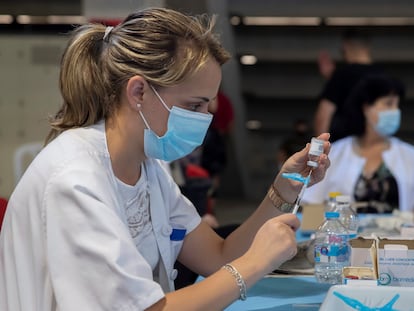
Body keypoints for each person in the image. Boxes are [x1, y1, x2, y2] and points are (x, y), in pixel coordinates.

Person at [0, 7, 330, 311]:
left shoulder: (147, 166)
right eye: (194, 106)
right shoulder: (74, 181)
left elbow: (219, 256)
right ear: (139, 92)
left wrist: (284, 190)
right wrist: (255, 263)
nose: (206, 118)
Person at [303, 74, 414, 213]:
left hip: (401, 234)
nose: (395, 111)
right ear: (366, 108)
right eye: (388, 104)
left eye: (397, 105)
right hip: (343, 233)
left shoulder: (409, 155)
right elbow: (310, 205)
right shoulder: (336, 153)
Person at [314, 28, 384, 142]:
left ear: (345, 46)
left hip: (343, 145)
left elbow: (323, 116)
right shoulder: (382, 76)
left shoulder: (341, 76)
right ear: (368, 47)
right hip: (374, 146)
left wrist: (320, 149)